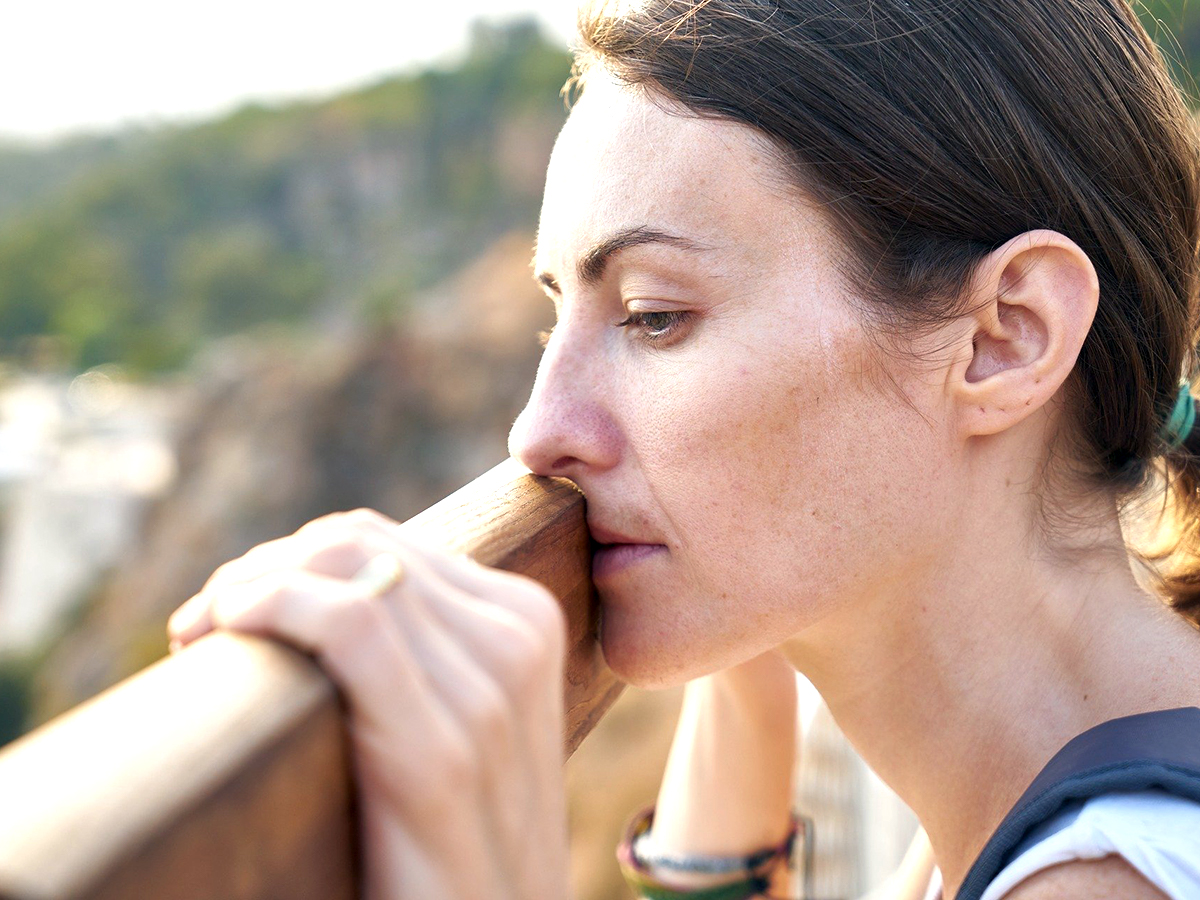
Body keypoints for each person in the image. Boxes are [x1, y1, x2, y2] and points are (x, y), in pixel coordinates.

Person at [166, 0, 1200, 898]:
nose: (536, 432)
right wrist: (740, 672)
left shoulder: (1107, 881)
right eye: (554, 317)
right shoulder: (1054, 789)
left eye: (655, 316)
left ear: (1002, 337)